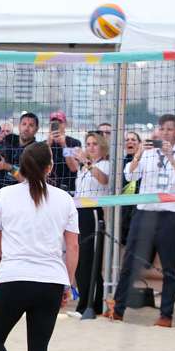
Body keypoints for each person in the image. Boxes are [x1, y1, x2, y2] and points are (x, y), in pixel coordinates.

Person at [0, 141, 79, 351]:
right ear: (50, 167)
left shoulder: (5, 194)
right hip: (50, 281)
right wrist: (68, 283)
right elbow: (72, 247)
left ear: (21, 168)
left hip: (15, 277)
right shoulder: (64, 199)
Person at [105, 114, 175, 327]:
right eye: (162, 129)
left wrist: (170, 157)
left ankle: (166, 316)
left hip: (169, 215)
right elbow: (130, 176)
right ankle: (117, 310)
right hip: (144, 212)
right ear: (157, 130)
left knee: (169, 267)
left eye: (170, 129)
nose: (165, 133)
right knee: (129, 263)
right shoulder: (147, 153)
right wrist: (138, 154)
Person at [72, 132, 111, 316]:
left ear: (102, 147)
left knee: (91, 260)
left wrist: (86, 162)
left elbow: (103, 180)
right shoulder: (83, 167)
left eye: (95, 144)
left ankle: (92, 305)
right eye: (88, 144)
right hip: (79, 212)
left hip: (93, 213)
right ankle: (84, 302)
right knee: (80, 262)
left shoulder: (105, 164)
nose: (91, 147)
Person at [46, 111, 81, 195]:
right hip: (49, 188)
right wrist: (48, 144)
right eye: (54, 122)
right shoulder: (44, 144)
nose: (56, 124)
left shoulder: (74, 143)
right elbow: (39, 165)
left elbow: (73, 168)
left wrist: (64, 145)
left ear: (65, 124)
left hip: (69, 187)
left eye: (60, 122)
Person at [120, 131, 142, 245]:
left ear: (140, 144)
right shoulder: (119, 163)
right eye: (127, 140)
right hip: (123, 209)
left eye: (133, 140)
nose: (130, 142)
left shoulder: (144, 161)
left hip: (139, 208)